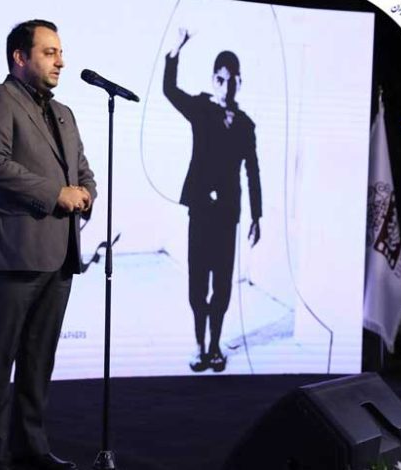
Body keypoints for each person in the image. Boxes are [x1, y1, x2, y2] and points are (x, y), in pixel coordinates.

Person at [0, 19, 96, 470]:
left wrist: (86, 193)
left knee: (40, 359)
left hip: (59, 252)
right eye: (49, 52)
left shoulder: (64, 113)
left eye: (60, 52)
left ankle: (31, 447)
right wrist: (56, 193)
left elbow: (82, 170)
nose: (61, 61)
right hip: (12, 251)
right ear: (20, 57)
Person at [163, 29, 262, 374]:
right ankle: (199, 345)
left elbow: (253, 172)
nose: (225, 85)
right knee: (197, 284)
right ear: (213, 80)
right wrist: (175, 51)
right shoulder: (201, 109)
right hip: (201, 211)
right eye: (220, 79)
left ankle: (216, 345)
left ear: (239, 82)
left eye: (231, 80)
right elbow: (169, 90)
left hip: (228, 215)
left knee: (222, 284)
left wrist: (257, 217)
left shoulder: (246, 125)